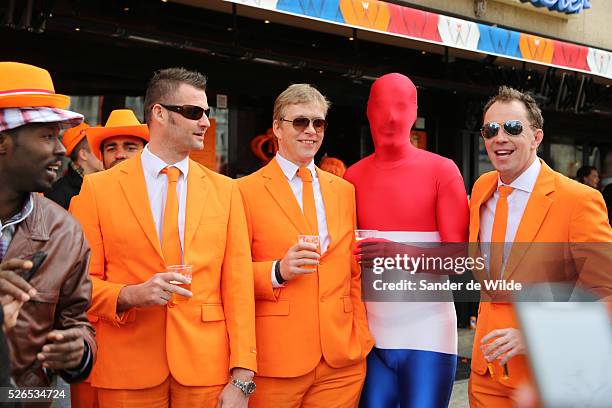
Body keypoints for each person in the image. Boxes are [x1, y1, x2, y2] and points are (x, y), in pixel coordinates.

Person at [71, 67, 256, 407]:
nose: (205, 122)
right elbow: (79, 284)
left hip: (206, 370)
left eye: (207, 113)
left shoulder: (226, 191)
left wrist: (242, 377)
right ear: (158, 113)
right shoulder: (96, 190)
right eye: (193, 112)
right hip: (127, 369)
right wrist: (129, 294)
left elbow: (239, 286)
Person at [468, 86, 612, 407]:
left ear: (537, 137)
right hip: (485, 374)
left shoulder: (579, 200)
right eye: (491, 130)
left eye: (513, 128)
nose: (500, 137)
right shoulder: (481, 188)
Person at [237, 83, 373, 408]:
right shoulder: (242, 191)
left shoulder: (344, 190)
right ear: (277, 128)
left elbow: (352, 270)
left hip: (342, 359)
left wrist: (360, 333)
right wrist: (277, 271)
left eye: (318, 123)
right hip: (276, 360)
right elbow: (229, 274)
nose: (310, 131)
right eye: (300, 122)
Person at [344, 73, 469, 408]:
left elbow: (458, 260)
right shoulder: (351, 178)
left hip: (428, 334)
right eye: (383, 107)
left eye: (401, 107)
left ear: (415, 112)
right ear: (368, 111)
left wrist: (397, 253)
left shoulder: (442, 171)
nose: (391, 117)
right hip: (370, 338)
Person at [0, 61, 96, 391]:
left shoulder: (65, 231)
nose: (61, 149)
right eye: (47, 136)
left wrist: (78, 351)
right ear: (2, 143)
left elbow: (77, 320)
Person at [69, 109, 149, 407]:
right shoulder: (82, 200)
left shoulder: (161, 200)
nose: (119, 155)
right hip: (96, 340)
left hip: (148, 348)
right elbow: (79, 281)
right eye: (111, 148)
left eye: (130, 147)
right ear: (100, 156)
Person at [45, 122, 103, 209]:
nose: (105, 154)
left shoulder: (103, 184)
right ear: (83, 154)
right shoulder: (57, 194)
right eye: (98, 149)